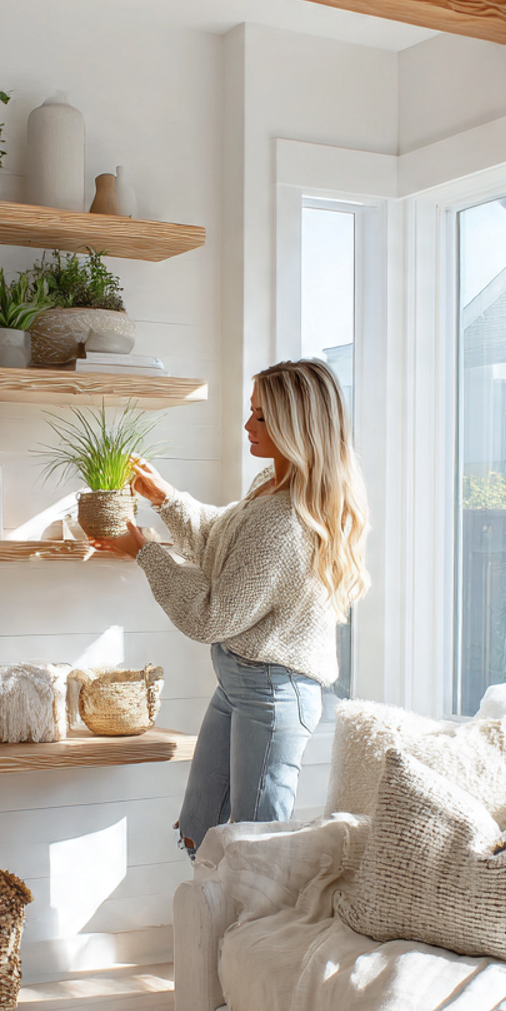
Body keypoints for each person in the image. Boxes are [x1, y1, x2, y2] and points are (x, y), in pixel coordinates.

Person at [91, 359, 369, 857]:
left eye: (262, 417)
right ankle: (218, 930)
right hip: (242, 681)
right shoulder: (273, 485)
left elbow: (212, 615)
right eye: (252, 411)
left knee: (252, 850)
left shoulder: (284, 521)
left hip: (272, 690)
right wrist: (166, 498)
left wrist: (146, 553)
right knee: (204, 828)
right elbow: (224, 539)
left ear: (296, 426)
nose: (248, 426)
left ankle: (249, 934)